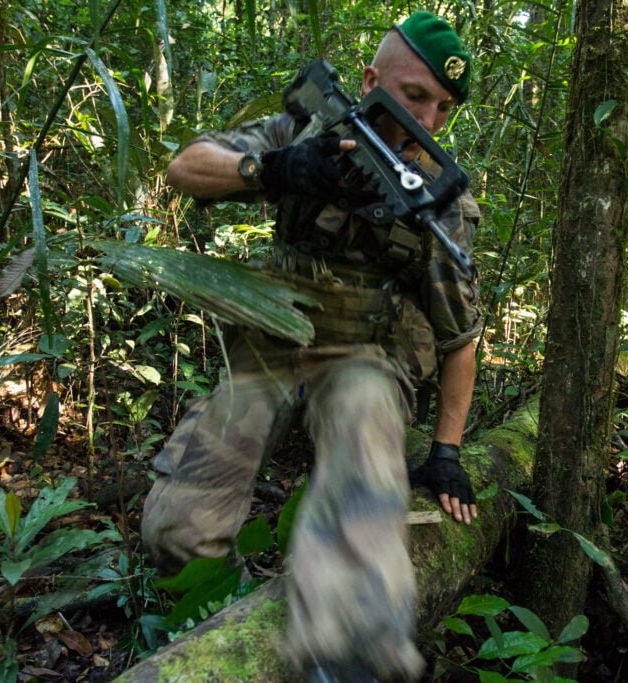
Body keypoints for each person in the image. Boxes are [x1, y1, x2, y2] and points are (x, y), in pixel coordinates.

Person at [141, 11, 482, 682]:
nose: (431, 119)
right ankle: (238, 621)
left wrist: (446, 451)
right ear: (371, 79)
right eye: (416, 96)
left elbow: (461, 336)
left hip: (365, 358)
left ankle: (345, 648)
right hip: (272, 342)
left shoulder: (436, 198)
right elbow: (185, 167)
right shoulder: (312, 131)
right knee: (178, 532)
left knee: (362, 418)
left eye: (444, 106)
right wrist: (278, 168)